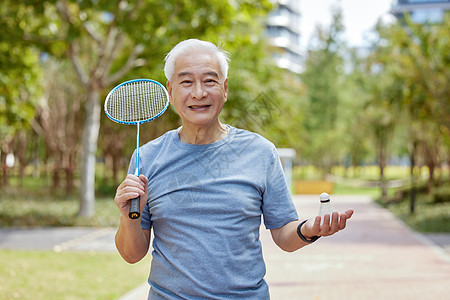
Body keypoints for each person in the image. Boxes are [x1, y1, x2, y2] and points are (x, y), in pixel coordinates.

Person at [114, 39, 354, 299]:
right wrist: (128, 217)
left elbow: (284, 234)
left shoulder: (260, 152)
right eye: (186, 82)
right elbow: (132, 254)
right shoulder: (146, 158)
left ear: (225, 89)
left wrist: (308, 230)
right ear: (171, 92)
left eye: (209, 81)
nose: (198, 93)